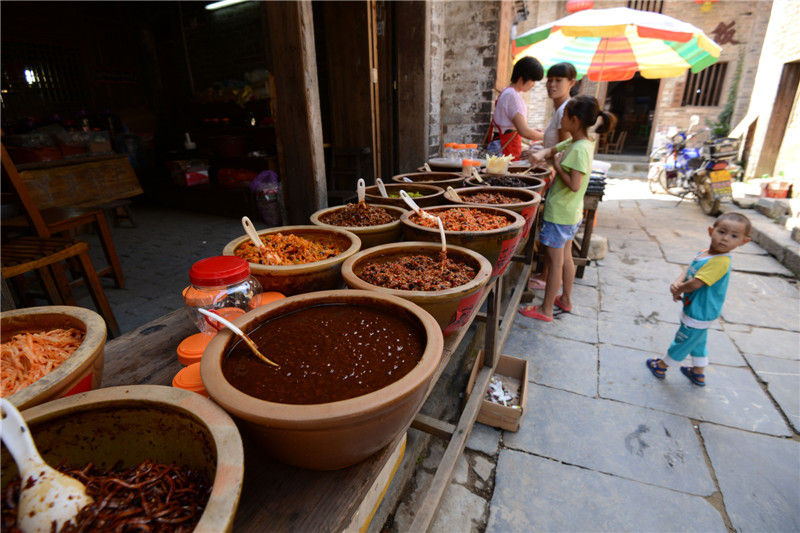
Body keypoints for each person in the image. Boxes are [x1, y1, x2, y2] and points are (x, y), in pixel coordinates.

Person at [518, 95, 616, 322]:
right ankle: (566, 299)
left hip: (560, 214)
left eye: (563, 117)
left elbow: (574, 184)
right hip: (570, 213)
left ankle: (546, 309)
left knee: (555, 264)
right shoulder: (580, 142)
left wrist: (557, 166)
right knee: (566, 258)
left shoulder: (578, 149)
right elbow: (552, 149)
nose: (560, 121)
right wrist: (540, 154)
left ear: (574, 120)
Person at [646, 213, 752, 386]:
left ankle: (662, 366)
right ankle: (698, 372)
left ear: (743, 241)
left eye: (734, 236)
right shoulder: (705, 253)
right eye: (722, 232)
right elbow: (690, 269)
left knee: (683, 340)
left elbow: (696, 283)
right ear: (711, 231)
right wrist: (678, 282)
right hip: (697, 308)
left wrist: (679, 289)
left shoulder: (720, 262)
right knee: (698, 341)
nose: (725, 238)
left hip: (700, 311)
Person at [524, 62, 578, 291]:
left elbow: (566, 149)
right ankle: (547, 275)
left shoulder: (566, 110)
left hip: (560, 180)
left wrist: (548, 157)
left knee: (555, 241)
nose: (552, 85)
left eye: (558, 80)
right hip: (556, 177)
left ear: (571, 83)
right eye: (550, 80)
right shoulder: (560, 108)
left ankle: (548, 277)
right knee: (559, 243)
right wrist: (541, 149)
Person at [486, 56, 544, 160]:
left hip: (501, 144)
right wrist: (546, 136)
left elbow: (512, 126)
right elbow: (524, 131)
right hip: (504, 148)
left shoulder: (507, 92)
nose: (533, 85)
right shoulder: (512, 96)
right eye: (532, 80)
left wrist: (534, 132)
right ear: (522, 78)